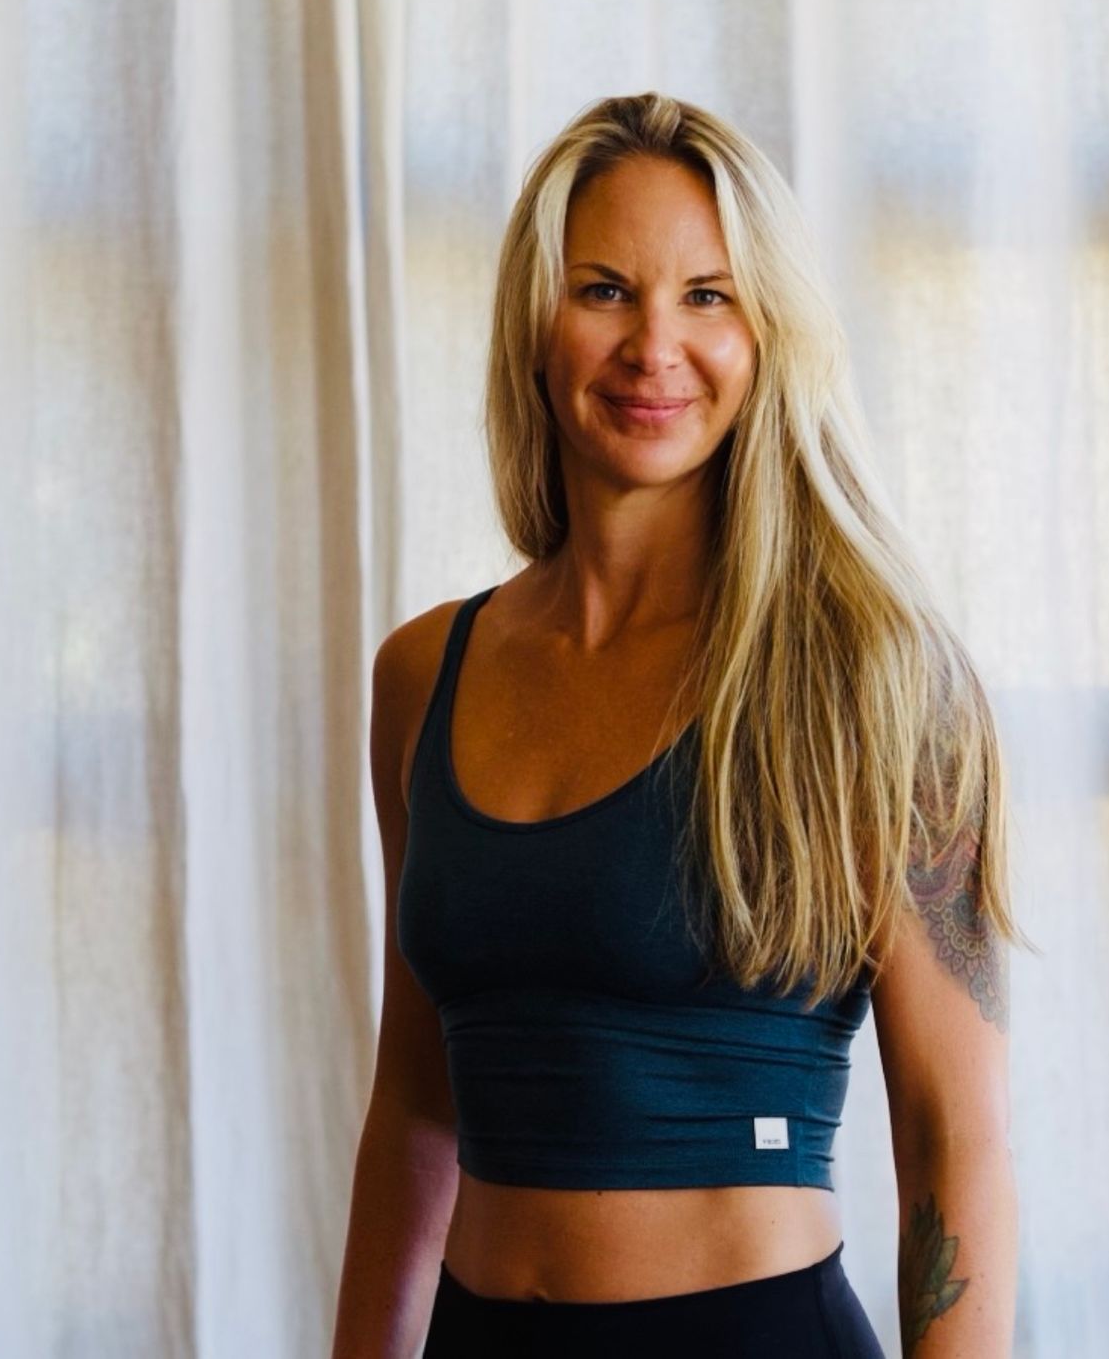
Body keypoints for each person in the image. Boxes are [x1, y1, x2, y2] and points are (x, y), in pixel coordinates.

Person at [331, 91, 1033, 1359]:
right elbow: (415, 1101)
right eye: (605, 289)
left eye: (707, 295)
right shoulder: (422, 673)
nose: (654, 344)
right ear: (534, 328)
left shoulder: (873, 678)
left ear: (768, 334)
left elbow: (954, 1134)